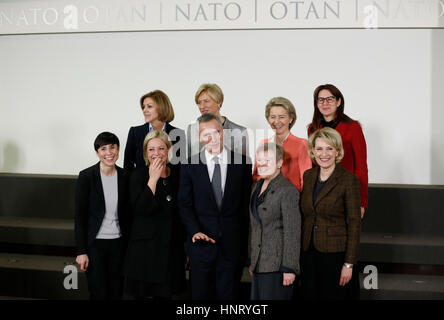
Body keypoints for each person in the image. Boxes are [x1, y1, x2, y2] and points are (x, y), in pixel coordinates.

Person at [178, 113, 252, 300]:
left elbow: (245, 207)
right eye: (205, 133)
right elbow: (184, 204)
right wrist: (194, 231)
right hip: (201, 245)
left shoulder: (242, 163)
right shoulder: (189, 165)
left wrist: (246, 248)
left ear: (223, 132)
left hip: (232, 246)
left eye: (215, 132)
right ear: (199, 137)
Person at [123, 130, 186, 299]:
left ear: (168, 150)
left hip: (172, 250)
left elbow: (183, 211)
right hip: (146, 251)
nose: (156, 153)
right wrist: (153, 179)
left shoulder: (179, 174)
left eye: (161, 148)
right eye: (151, 149)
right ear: (145, 152)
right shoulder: (137, 176)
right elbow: (141, 209)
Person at [300, 127, 361, 300]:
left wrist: (349, 264)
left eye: (329, 148)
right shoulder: (308, 176)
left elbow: (354, 224)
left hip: (335, 256)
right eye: (319, 148)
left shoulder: (348, 180)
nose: (324, 154)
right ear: (313, 151)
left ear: (337, 151)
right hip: (308, 253)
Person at [75, 132, 130, 300]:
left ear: (118, 149)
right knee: (98, 293)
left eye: (112, 147)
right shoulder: (86, 176)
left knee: (116, 292)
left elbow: (130, 214)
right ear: (97, 153)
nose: (109, 152)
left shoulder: (126, 176)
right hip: (95, 245)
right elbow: (80, 216)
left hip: (119, 244)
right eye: (103, 148)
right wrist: (81, 251)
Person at [249, 142, 301, 300]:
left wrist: (289, 268)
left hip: (277, 267)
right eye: (260, 160)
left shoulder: (287, 190)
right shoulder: (256, 187)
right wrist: (252, 260)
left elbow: (292, 231)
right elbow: (254, 227)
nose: (262, 164)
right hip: (259, 264)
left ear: (279, 162)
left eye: (268, 160)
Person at [308, 84, 368, 218]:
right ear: (316, 103)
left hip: (346, 190)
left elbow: (361, 167)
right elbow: (313, 163)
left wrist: (361, 202)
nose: (325, 103)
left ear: (339, 101)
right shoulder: (312, 128)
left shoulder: (353, 127)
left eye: (329, 99)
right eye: (321, 100)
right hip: (321, 190)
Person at [252, 97, 312, 192]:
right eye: (273, 117)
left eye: (281, 117)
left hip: (290, 199)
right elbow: (256, 176)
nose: (276, 121)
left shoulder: (301, 144)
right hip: (266, 200)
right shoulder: (263, 144)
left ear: (291, 119)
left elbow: (307, 179)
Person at [124, 90, 185, 171]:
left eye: (149, 106)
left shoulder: (178, 134)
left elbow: (180, 169)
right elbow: (128, 166)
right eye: (143, 107)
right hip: (142, 183)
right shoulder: (135, 132)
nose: (144, 110)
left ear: (161, 108)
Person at [186, 83, 248, 158]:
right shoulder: (192, 129)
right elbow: (189, 162)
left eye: (206, 101)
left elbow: (243, 166)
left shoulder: (240, 132)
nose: (202, 106)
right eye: (199, 102)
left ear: (219, 102)